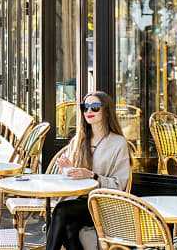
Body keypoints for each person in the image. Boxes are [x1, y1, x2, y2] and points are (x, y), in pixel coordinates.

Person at [47, 91, 131, 250]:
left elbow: (119, 185)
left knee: (61, 211)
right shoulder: (79, 139)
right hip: (78, 201)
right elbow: (68, 178)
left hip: (103, 203)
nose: (89, 111)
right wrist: (68, 169)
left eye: (95, 107)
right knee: (68, 228)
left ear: (106, 110)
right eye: (85, 107)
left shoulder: (118, 143)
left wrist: (93, 176)